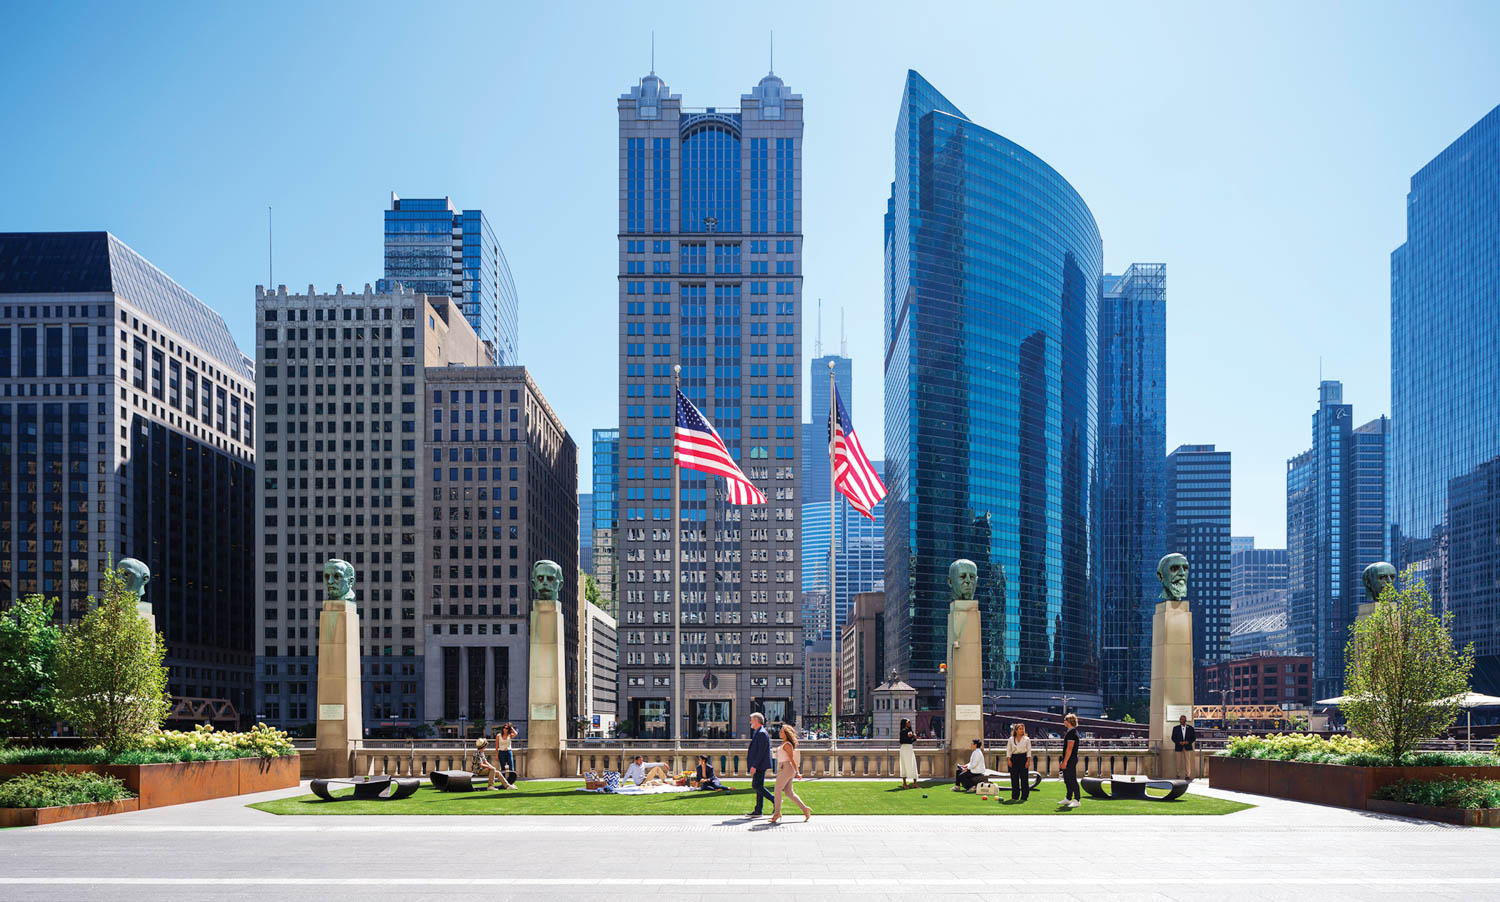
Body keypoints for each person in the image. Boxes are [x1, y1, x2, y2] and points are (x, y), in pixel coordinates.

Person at [769, 723, 811, 823]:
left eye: (781, 732)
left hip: (786, 769)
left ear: (786, 733)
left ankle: (777, 813)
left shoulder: (787, 745)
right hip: (785, 768)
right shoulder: (784, 743)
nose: (779, 733)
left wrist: (797, 772)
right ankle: (805, 809)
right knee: (789, 793)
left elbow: (792, 759)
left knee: (777, 790)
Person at [745, 711, 775, 816]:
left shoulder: (761, 733)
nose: (750, 722)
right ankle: (758, 810)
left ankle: (775, 801)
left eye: (751, 720)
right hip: (760, 764)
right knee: (759, 787)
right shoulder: (759, 732)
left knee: (756, 786)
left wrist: (754, 766)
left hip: (760, 765)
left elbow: (761, 752)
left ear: (757, 721)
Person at [1059, 713, 1081, 809]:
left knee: (1072, 779)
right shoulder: (1070, 732)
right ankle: (1068, 798)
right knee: (1067, 779)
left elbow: (1069, 749)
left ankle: (1077, 800)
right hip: (1069, 759)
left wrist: (1065, 761)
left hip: (1071, 759)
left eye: (1065, 720)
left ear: (1069, 722)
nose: (1064, 722)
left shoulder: (1072, 733)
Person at [1006, 723, 1032, 802]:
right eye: (1020, 729)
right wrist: (1009, 760)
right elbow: (1008, 750)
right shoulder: (1011, 739)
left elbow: (1029, 751)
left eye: (1023, 729)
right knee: (1014, 778)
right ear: (1016, 730)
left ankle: (1024, 796)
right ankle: (1015, 796)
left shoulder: (1026, 739)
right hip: (1014, 758)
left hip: (1023, 758)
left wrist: (1028, 761)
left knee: (1024, 778)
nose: (1022, 730)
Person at [1171, 714, 1197, 780]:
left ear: (1185, 720)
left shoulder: (1190, 728)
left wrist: (1187, 742)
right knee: (1178, 762)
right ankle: (1178, 774)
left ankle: (1187, 775)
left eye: (1182, 719)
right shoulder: (1175, 728)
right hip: (1178, 746)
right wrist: (1179, 742)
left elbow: (1193, 738)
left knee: (1187, 761)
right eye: (1180, 719)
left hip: (1187, 746)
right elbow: (1173, 738)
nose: (1180, 720)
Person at [898, 718, 918, 788]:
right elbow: (901, 741)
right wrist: (908, 737)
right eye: (908, 722)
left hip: (909, 748)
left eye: (909, 722)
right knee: (904, 764)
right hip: (905, 748)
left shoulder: (910, 731)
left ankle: (915, 783)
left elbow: (910, 742)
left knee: (913, 764)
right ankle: (904, 783)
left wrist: (914, 738)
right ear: (905, 723)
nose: (909, 723)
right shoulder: (903, 731)